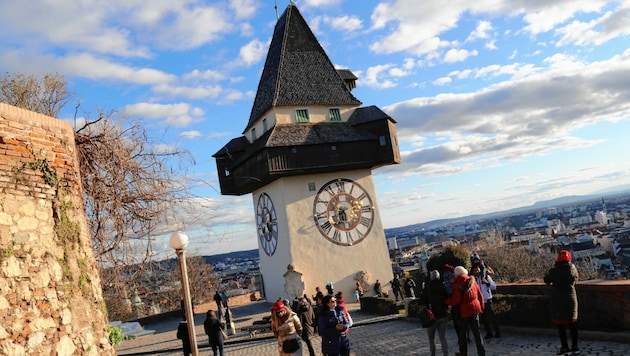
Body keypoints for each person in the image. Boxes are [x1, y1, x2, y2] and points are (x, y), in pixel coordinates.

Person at [544, 250, 579, 355]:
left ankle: (564, 347)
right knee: (573, 324)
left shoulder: (554, 271)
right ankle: (575, 346)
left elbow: (546, 280)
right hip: (571, 298)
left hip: (558, 299)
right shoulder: (573, 269)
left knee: (561, 325)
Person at [450, 266, 485, 356]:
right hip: (475, 309)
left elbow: (456, 300)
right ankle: (481, 352)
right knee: (477, 333)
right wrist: (481, 307)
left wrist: (446, 301)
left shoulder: (457, 283)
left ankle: (463, 352)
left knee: (463, 333)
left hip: (464, 311)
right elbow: (480, 294)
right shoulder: (472, 280)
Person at [420, 270, 449, 356]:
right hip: (443, 315)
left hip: (432, 315)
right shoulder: (443, 286)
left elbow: (421, 301)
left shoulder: (428, 287)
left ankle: (433, 353)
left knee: (431, 338)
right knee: (442, 337)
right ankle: (445, 353)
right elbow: (447, 299)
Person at [472, 266, 500, 339]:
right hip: (480, 301)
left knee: (492, 317)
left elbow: (494, 286)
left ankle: (497, 332)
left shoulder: (486, 277)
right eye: (475, 270)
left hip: (487, 299)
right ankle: (489, 332)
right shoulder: (474, 279)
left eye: (477, 270)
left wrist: (487, 283)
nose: (476, 272)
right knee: (483, 319)